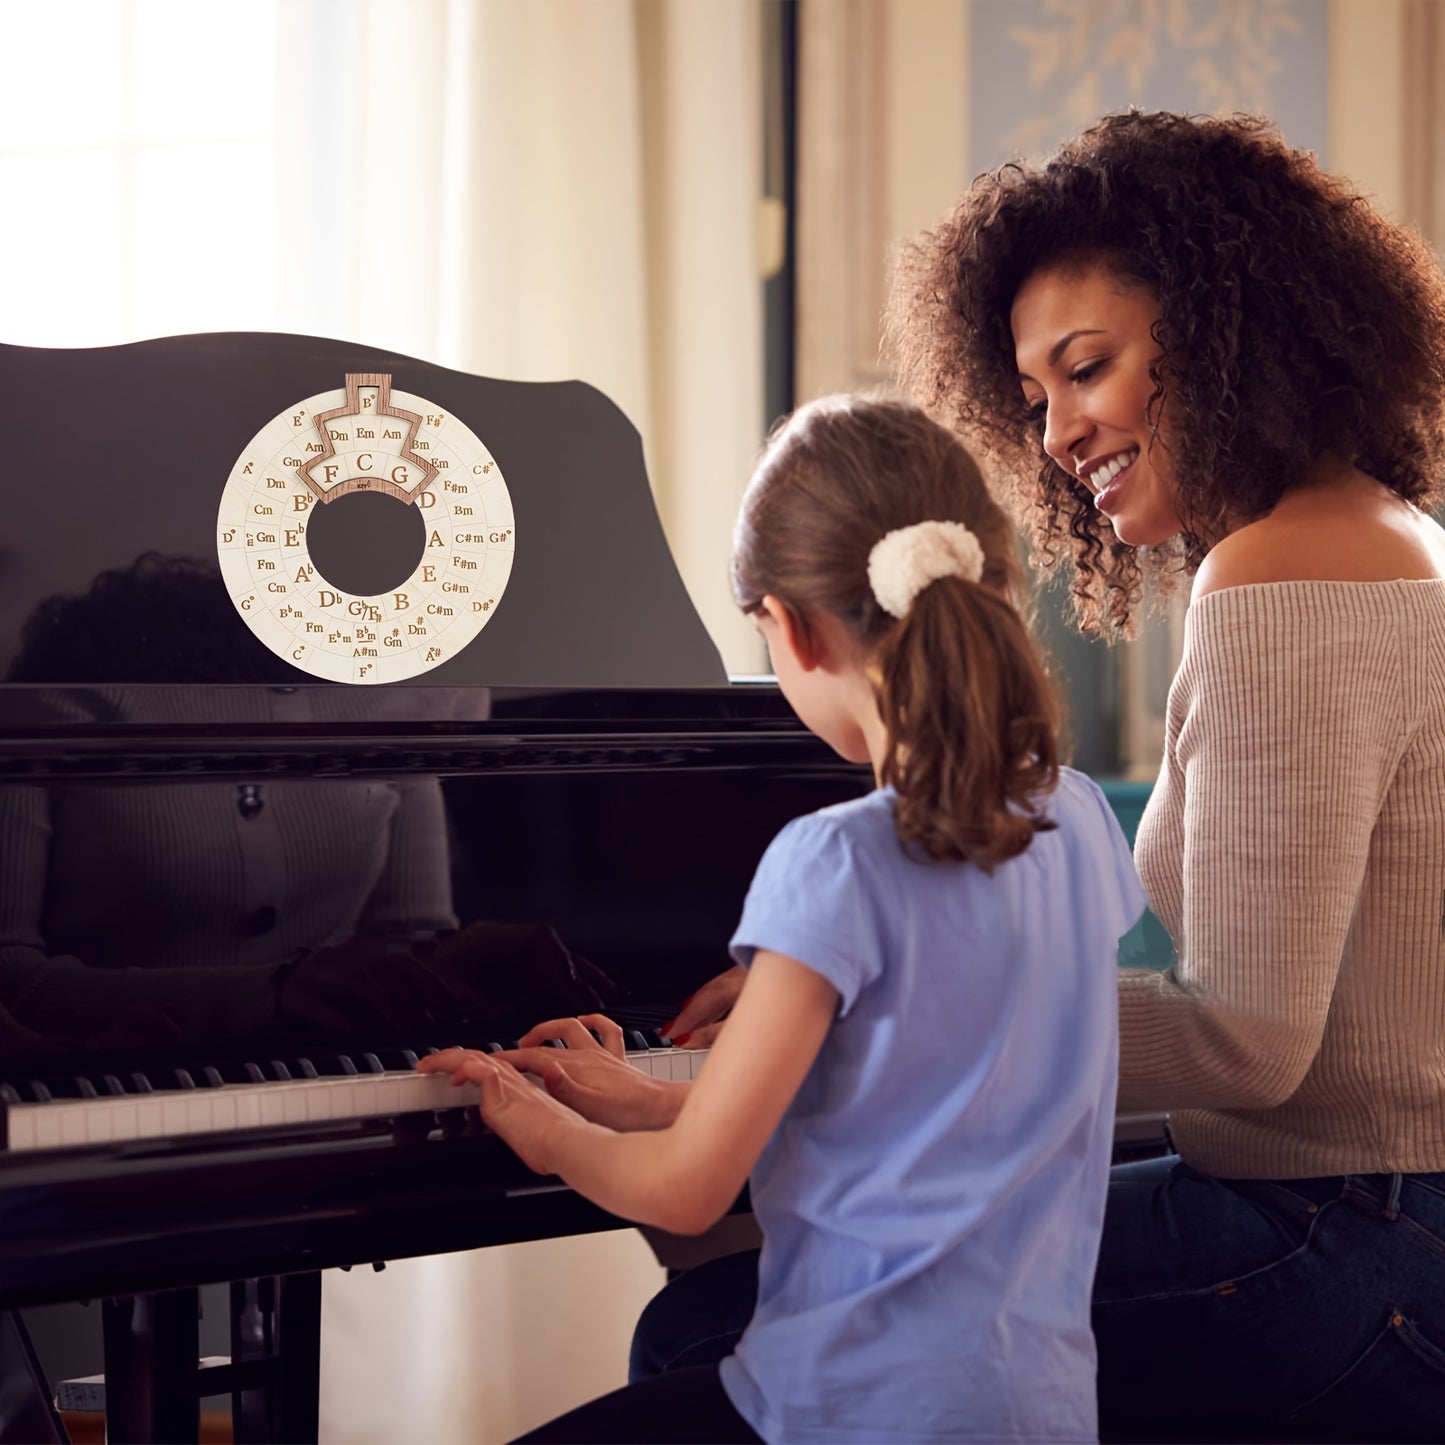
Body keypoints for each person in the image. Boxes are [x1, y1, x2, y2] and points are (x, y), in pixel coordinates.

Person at [641, 110, 1445, 1441]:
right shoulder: (1382, 537)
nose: (1062, 430)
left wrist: (853, 1012)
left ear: (1231, 330)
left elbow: (1246, 1042)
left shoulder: (1290, 570)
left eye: (1088, 369)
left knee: (717, 1322)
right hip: (1375, 1226)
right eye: (1033, 400)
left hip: (1344, 1247)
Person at [419, 395, 1145, 1443]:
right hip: (1028, 1406)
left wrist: (542, 1126)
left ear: (791, 626)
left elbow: (684, 1193)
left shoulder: (834, 858)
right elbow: (916, 1083)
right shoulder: (1071, 815)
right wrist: (644, 1097)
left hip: (840, 1410)